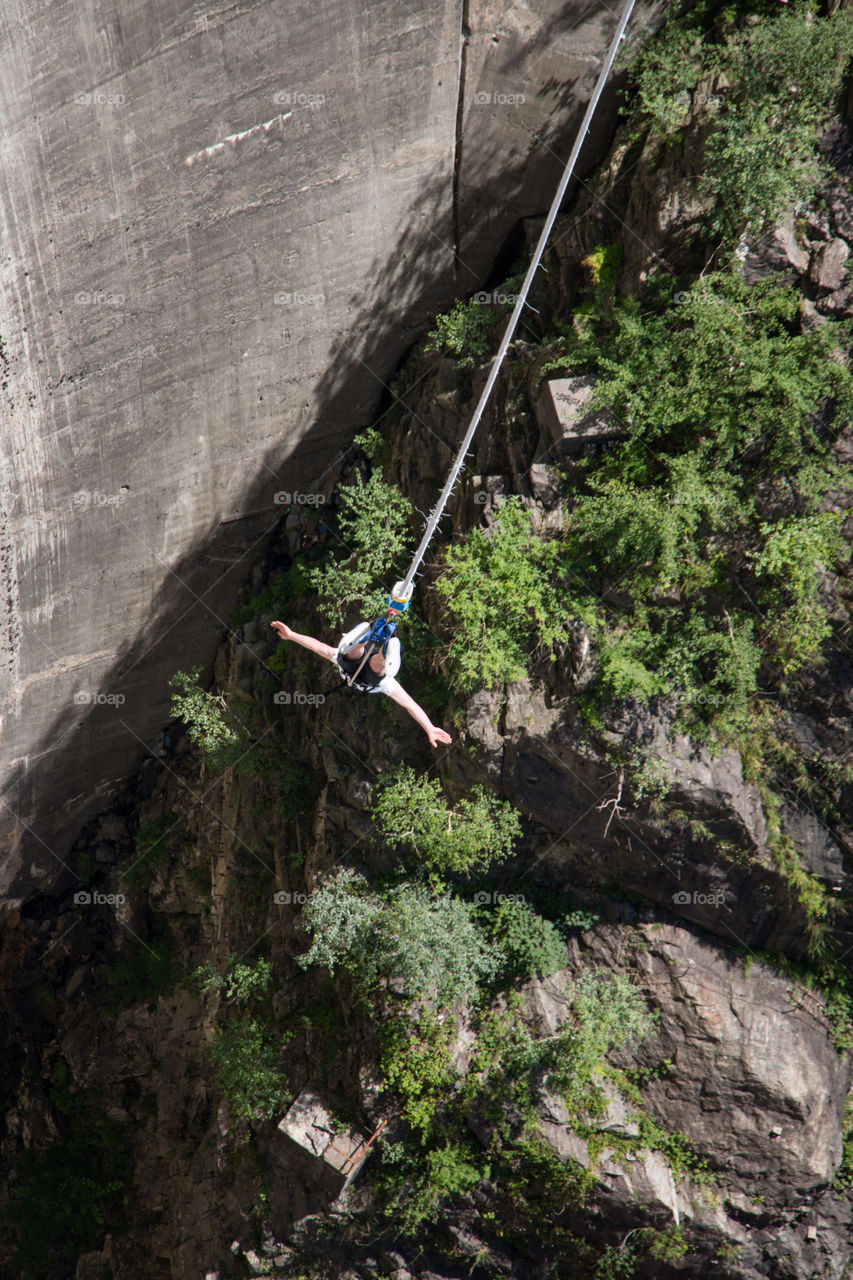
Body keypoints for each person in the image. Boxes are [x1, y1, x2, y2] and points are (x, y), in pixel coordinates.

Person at [270, 620, 453, 748]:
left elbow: (317, 647)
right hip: (367, 676)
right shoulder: (385, 684)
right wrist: (429, 728)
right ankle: (383, 653)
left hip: (360, 674)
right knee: (373, 666)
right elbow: (410, 705)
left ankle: (363, 644)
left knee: (356, 658)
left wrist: (292, 635)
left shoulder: (382, 683)